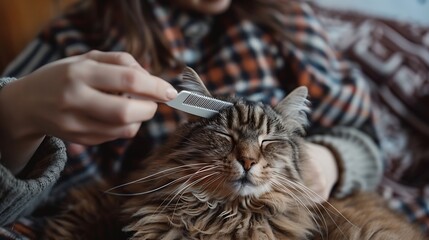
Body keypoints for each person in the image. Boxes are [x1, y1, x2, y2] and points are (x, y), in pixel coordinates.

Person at [0, 0, 383, 238]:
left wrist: (331, 160)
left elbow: (364, 134)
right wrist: (14, 114)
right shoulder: (70, 38)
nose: (247, 156)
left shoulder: (287, 18)